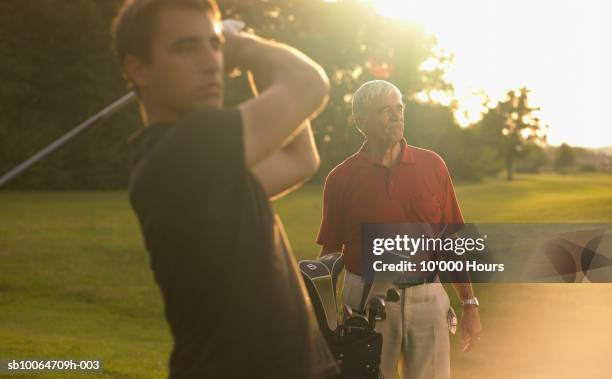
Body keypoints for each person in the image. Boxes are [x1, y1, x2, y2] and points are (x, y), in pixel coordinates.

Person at [112, 0, 339, 378]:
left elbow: (300, 158)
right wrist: (243, 46)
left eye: (214, 45)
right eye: (186, 47)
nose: (210, 62)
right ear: (138, 69)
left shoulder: (203, 167)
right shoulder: (186, 149)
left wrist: (252, 61)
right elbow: (309, 84)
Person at [317, 80, 482, 379]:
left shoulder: (433, 165)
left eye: (399, 108)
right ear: (360, 121)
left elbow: (450, 241)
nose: (396, 116)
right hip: (366, 301)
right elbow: (329, 252)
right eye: (385, 110)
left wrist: (469, 303)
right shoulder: (340, 178)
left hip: (428, 298)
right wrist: (324, 319)